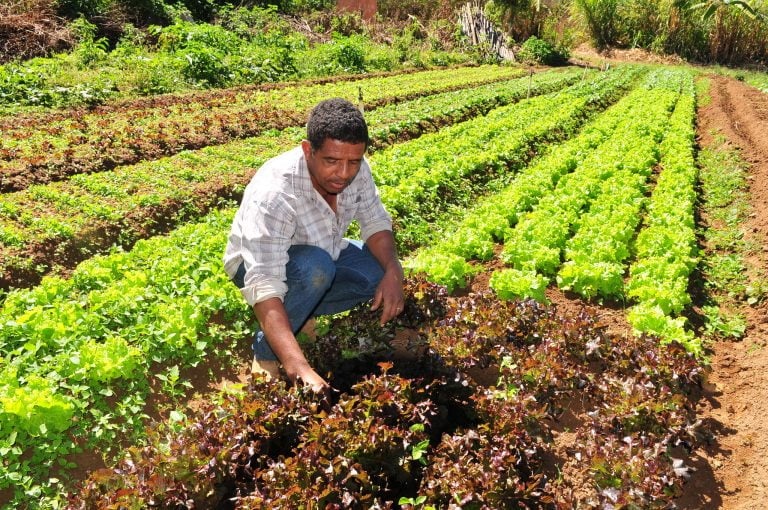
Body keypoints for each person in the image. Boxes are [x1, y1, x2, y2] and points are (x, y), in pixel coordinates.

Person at [223, 97, 405, 394]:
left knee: (375, 274)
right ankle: (267, 354)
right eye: (332, 161)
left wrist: (394, 270)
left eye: (353, 162)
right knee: (315, 270)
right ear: (308, 150)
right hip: (257, 266)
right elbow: (265, 283)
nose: (344, 173)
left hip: (324, 251)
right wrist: (299, 367)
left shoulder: (357, 170)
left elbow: (375, 222)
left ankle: (302, 313)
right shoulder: (276, 193)